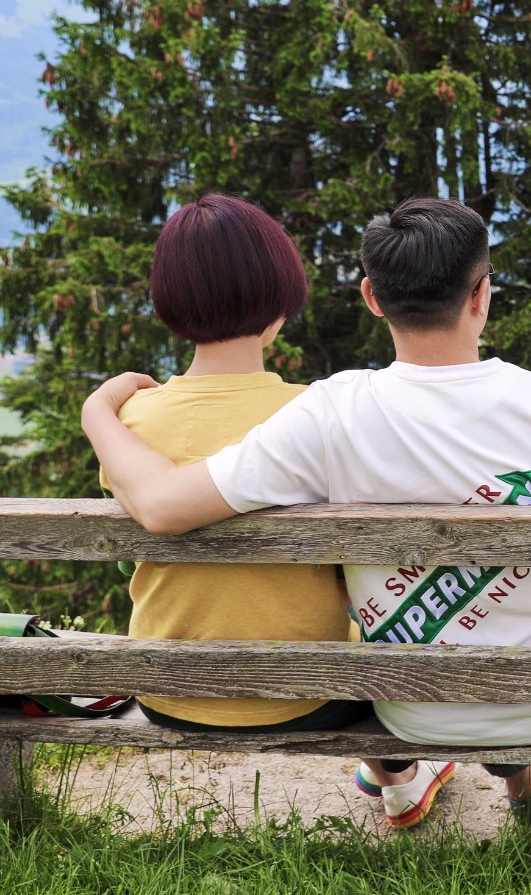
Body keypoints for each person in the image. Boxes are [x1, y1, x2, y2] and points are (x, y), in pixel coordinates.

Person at [82, 197, 531, 830]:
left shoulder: (329, 414)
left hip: (411, 709)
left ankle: (524, 782)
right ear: (482, 295)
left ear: (372, 297)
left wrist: (97, 412)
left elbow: (161, 504)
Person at [110, 193, 364, 735]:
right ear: (280, 302)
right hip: (310, 692)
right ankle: (396, 777)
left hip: (168, 692)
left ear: (170, 304)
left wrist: (97, 408)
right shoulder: (323, 414)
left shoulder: (130, 422)